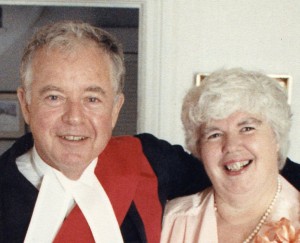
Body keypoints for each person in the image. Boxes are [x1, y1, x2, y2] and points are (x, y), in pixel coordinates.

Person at [0, 21, 299, 243]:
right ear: (26, 105)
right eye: (54, 97)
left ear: (116, 108)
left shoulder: (149, 160)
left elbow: (241, 169)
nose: (74, 117)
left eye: (92, 99)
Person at [161, 68, 300, 243]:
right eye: (214, 135)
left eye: (247, 128)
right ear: (199, 149)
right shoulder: (171, 222)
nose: (231, 146)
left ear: (276, 137)